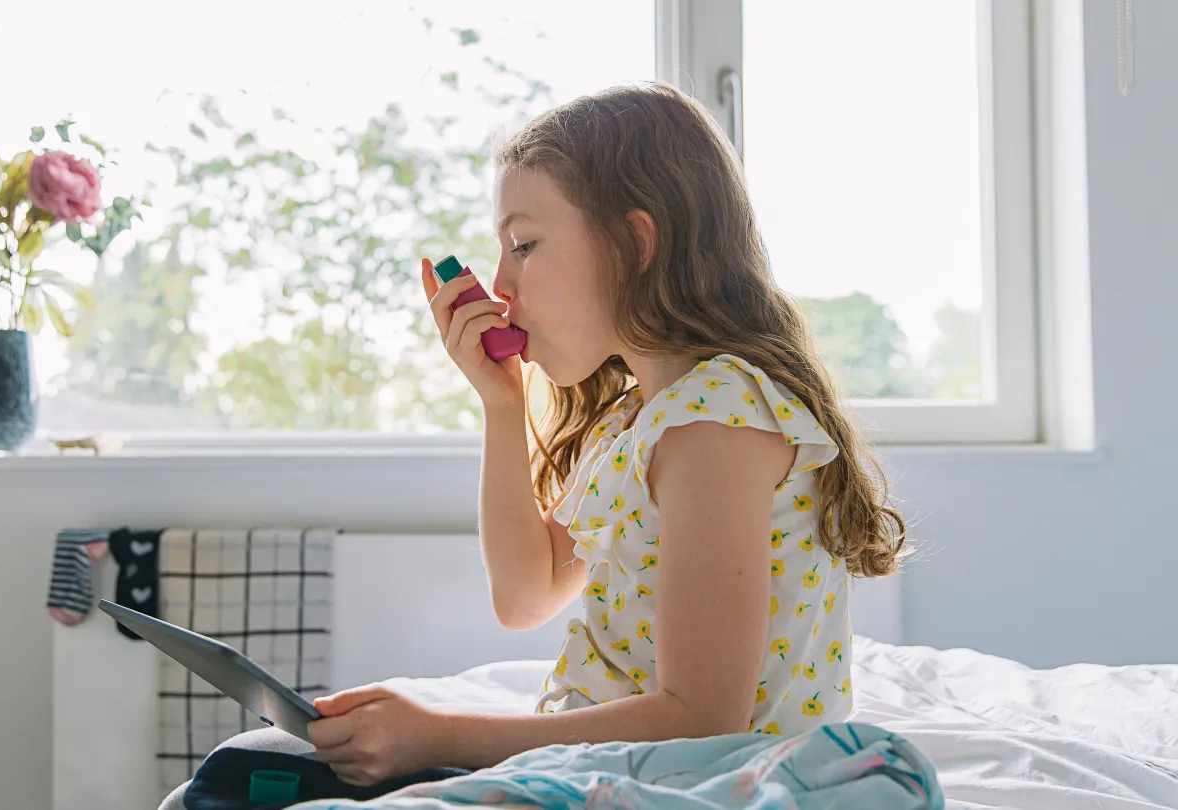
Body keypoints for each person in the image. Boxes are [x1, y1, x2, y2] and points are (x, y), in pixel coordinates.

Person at [304, 81, 908, 786]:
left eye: (523, 245)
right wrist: (503, 408)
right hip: (616, 775)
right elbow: (525, 596)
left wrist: (441, 736)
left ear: (634, 242)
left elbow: (702, 718)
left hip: (694, 787)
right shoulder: (638, 420)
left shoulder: (715, 421)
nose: (501, 286)